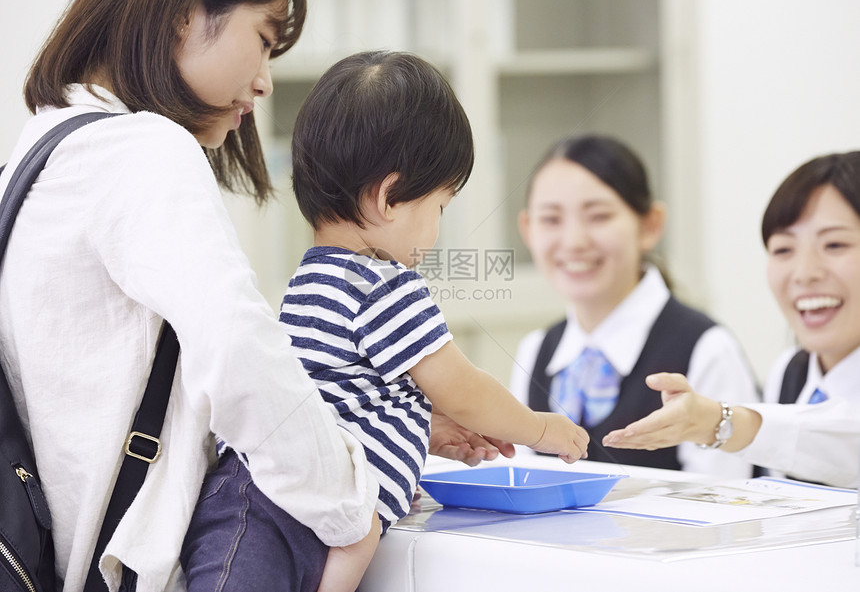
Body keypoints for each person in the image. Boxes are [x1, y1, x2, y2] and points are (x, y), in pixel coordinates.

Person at [2, 0, 383, 591]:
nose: (263, 82)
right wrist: (347, 503)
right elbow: (238, 351)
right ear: (184, 12)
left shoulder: (36, 154)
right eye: (263, 38)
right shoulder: (142, 150)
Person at [271, 50, 587, 591]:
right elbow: (462, 389)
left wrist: (421, 428)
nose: (438, 228)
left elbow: (342, 400)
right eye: (440, 206)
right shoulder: (383, 281)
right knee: (360, 533)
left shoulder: (309, 281)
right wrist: (541, 428)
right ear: (390, 197)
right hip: (324, 520)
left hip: (273, 493)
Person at [603, 151, 860, 489]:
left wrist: (717, 422)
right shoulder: (790, 372)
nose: (805, 273)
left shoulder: (702, 342)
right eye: (783, 250)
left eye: (835, 244)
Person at [510, 134, 760, 477]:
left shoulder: (706, 349)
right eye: (551, 219)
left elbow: (723, 505)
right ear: (528, 229)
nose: (573, 241)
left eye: (598, 216)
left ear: (650, 224)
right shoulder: (536, 350)